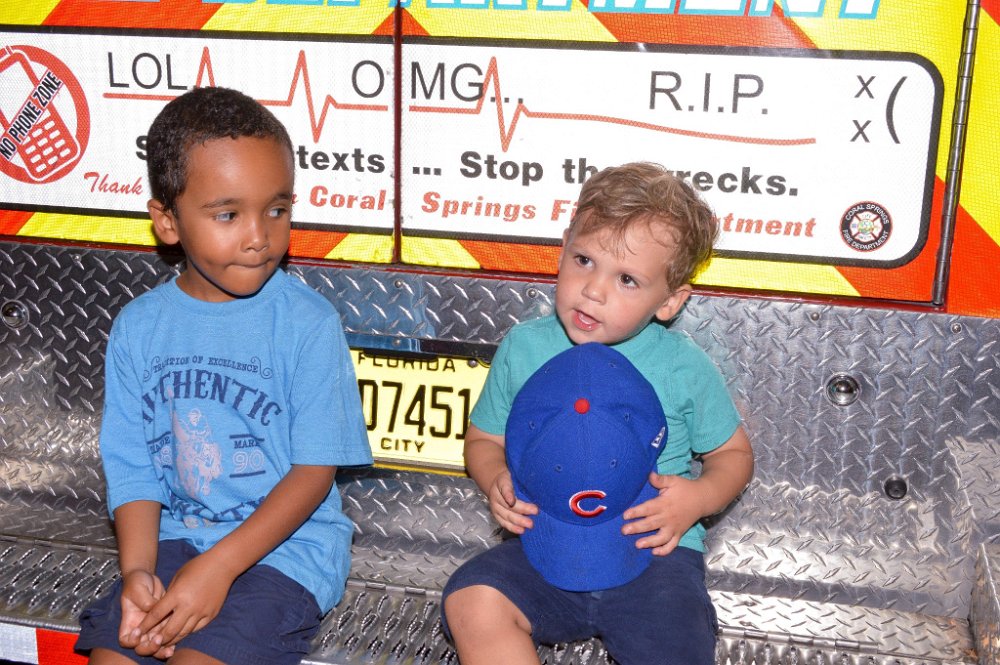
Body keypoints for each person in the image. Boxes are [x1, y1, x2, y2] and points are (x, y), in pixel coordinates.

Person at [75, 86, 373, 665]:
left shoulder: (307, 323)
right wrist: (137, 573)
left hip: (287, 553)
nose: (259, 236)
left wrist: (217, 568)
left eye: (277, 209)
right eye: (228, 214)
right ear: (167, 221)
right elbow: (133, 470)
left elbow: (315, 472)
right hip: (172, 542)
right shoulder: (139, 328)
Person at [442, 162, 754, 665]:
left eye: (627, 279)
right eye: (584, 260)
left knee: (679, 644)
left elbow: (733, 455)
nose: (593, 289)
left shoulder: (683, 366)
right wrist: (495, 477)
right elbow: (483, 439)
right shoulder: (524, 348)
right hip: (545, 543)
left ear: (670, 301)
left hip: (655, 552)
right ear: (562, 248)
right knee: (471, 601)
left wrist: (697, 499)